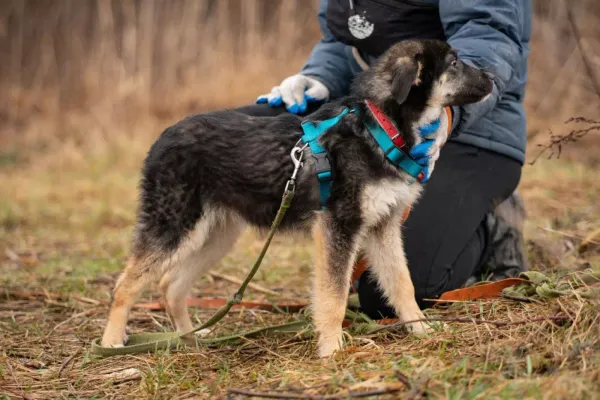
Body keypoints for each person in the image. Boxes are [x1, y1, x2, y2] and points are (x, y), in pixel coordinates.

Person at [235, 0, 531, 319]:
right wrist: (319, 77)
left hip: (473, 130)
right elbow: (346, 39)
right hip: (377, 120)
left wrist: (450, 113)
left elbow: (490, 34)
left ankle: (487, 223)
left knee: (386, 297)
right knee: (236, 136)